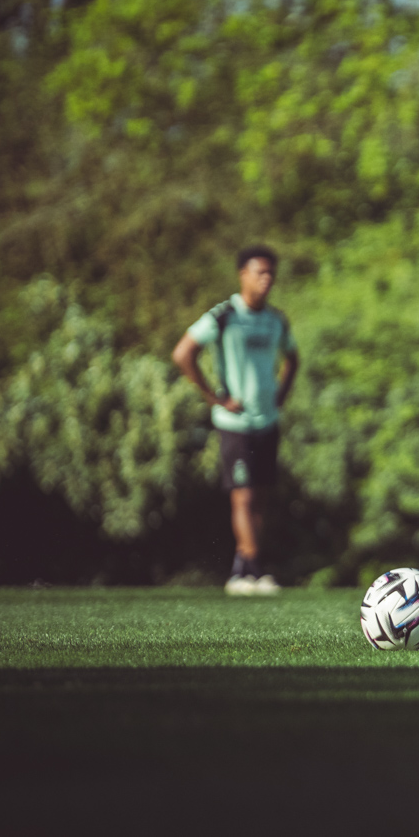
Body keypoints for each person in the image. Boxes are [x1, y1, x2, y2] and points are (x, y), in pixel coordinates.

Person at [172, 246, 299, 596]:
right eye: (260, 273)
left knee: (260, 499)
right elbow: (183, 353)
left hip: (267, 420)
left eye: (271, 273)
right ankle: (255, 570)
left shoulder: (276, 320)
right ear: (243, 275)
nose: (266, 279)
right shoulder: (224, 316)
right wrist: (214, 398)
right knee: (242, 496)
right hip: (235, 424)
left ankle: (242, 570)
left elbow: (293, 358)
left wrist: (280, 394)